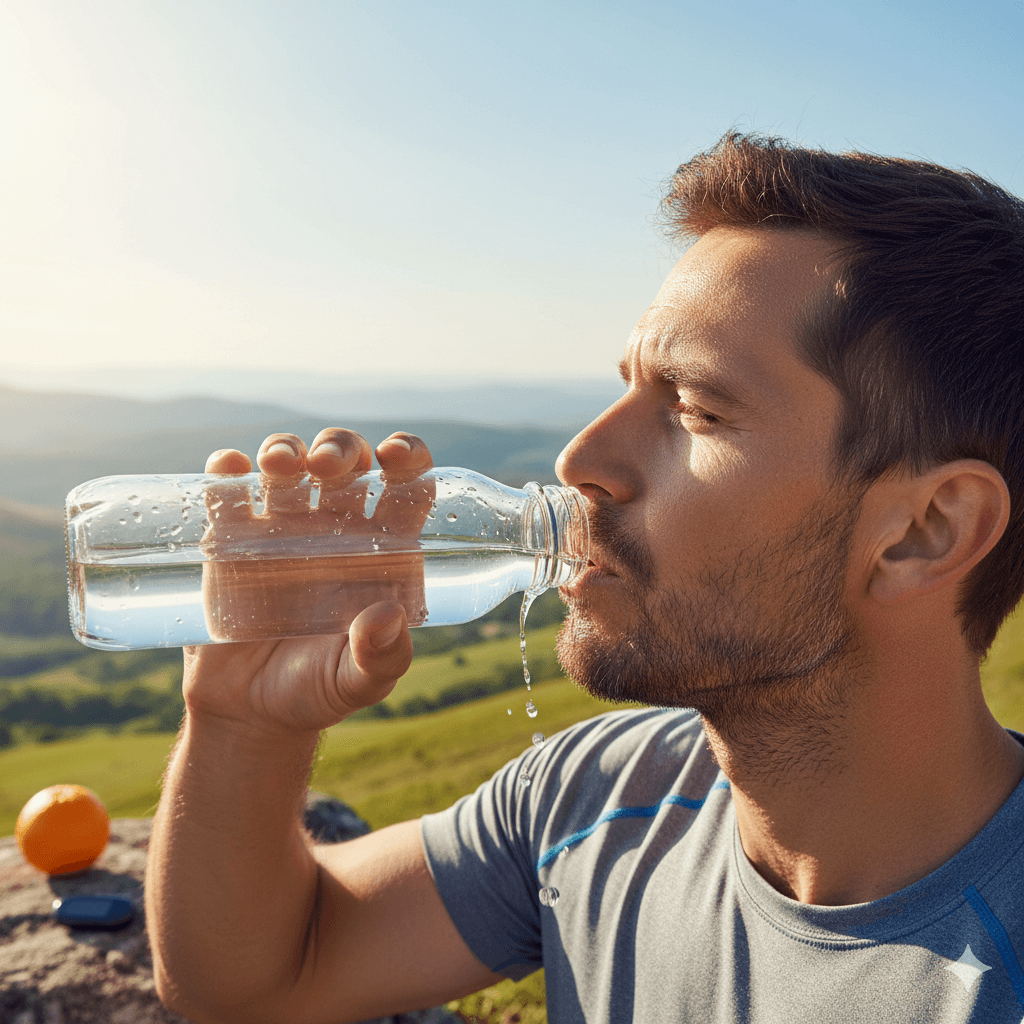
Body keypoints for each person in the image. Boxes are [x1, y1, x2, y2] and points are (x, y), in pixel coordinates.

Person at [146, 131, 1024, 1023]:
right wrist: (244, 727)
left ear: (924, 530)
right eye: (629, 389)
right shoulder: (605, 794)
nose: (581, 459)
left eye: (696, 409)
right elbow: (259, 976)